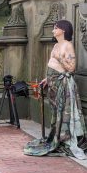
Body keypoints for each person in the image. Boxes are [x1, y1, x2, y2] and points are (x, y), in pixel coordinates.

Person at [24, 20, 87, 159]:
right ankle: (56, 136)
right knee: (55, 114)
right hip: (52, 84)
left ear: (63, 30)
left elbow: (71, 68)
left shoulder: (67, 45)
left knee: (62, 114)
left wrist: (60, 58)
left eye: (55, 28)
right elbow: (53, 65)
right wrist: (47, 79)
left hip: (63, 85)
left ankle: (64, 138)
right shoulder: (56, 45)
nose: (53, 30)